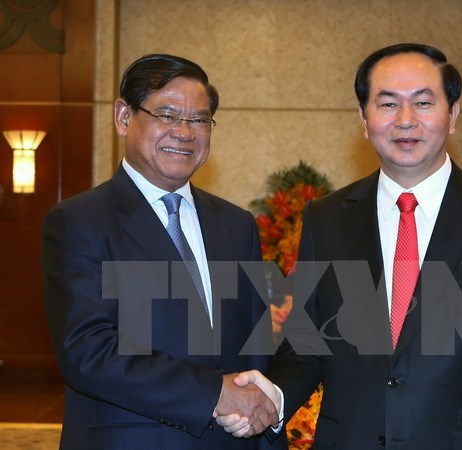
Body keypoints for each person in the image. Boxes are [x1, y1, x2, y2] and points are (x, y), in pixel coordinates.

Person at [221, 43, 462, 449]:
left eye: (423, 102)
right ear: (364, 118)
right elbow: (308, 344)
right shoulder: (326, 218)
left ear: (452, 115)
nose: (406, 120)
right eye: (387, 104)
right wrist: (273, 397)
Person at [42, 54, 286, 450]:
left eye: (199, 120)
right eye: (167, 115)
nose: (184, 132)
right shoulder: (78, 221)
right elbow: (88, 350)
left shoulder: (236, 224)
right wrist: (214, 394)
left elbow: (254, 344)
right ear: (124, 117)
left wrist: (260, 418)